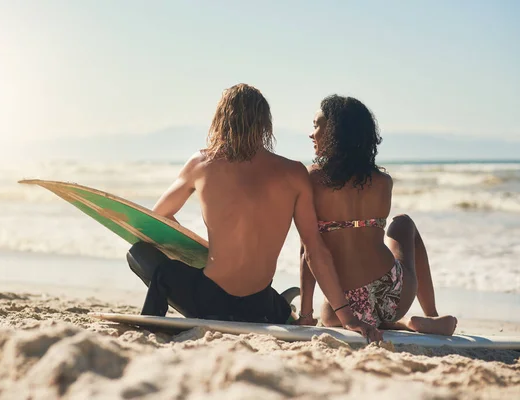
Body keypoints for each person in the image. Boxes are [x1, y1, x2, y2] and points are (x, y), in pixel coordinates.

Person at [137, 84, 382, 341]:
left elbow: (158, 218)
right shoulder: (294, 173)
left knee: (144, 257)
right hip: (258, 306)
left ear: (221, 120)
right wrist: (348, 317)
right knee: (266, 297)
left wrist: (199, 253)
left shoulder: (200, 164)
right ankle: (281, 310)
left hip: (209, 302)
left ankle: (155, 327)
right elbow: (314, 250)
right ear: (266, 124)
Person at [298, 94, 457, 336]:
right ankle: (427, 315)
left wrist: (306, 314)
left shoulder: (311, 179)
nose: (312, 133)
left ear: (335, 132)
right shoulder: (383, 182)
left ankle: (398, 323)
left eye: (317, 125)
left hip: (344, 305)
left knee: (329, 313)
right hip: (395, 294)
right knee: (403, 223)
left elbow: (307, 252)